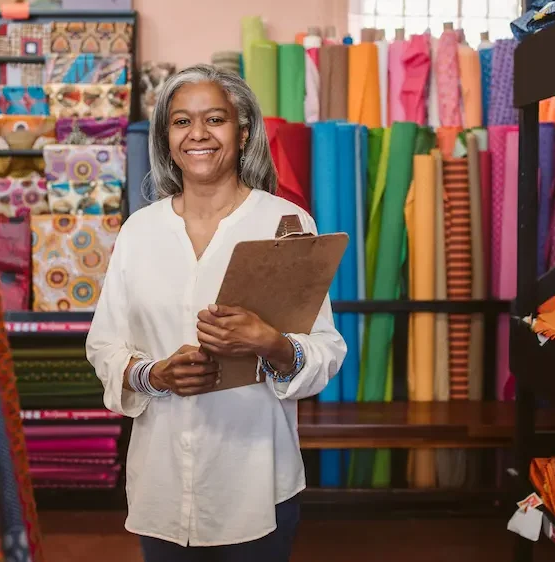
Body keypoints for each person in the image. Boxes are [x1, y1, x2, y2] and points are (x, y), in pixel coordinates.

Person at [85, 64, 347, 561]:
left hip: (256, 480)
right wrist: (154, 374)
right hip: (162, 480)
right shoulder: (140, 231)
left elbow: (326, 350)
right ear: (166, 137)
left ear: (242, 131)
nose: (198, 134)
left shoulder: (284, 223)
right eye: (181, 121)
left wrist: (269, 341)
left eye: (215, 119)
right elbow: (104, 344)